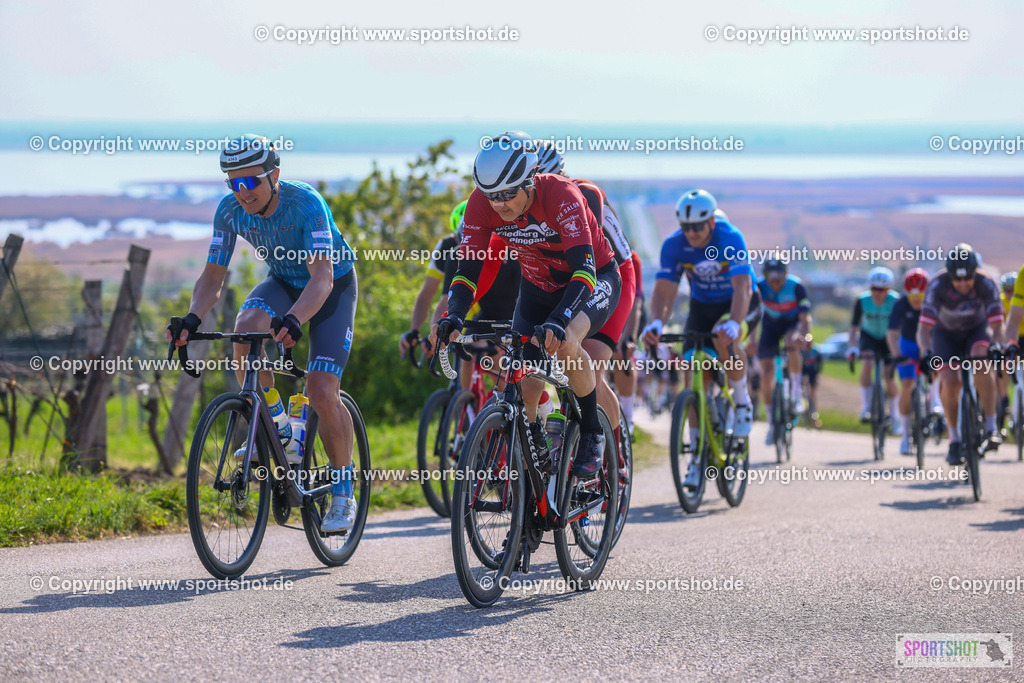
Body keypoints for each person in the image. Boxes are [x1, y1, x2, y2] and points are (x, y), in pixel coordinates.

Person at [166, 135, 359, 532]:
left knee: (322, 390)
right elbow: (213, 276)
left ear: (274, 174)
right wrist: (190, 319)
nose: (243, 192)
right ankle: (277, 426)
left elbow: (321, 278)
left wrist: (295, 319)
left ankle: (343, 493)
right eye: (234, 183)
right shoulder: (229, 212)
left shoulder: (307, 204)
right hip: (283, 282)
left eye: (251, 181)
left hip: (331, 287)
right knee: (245, 330)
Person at [433, 131, 621, 478]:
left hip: (590, 281)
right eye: (491, 195)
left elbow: (584, 269)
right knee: (524, 365)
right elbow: (467, 271)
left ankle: (593, 431)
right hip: (537, 288)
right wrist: (454, 315)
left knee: (566, 343)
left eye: (507, 194)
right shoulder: (481, 203)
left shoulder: (562, 195)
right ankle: (534, 440)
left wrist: (559, 320)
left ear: (529, 182)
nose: (498, 204)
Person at [642, 189, 762, 486]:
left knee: (725, 338)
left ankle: (743, 402)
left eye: (697, 226)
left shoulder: (729, 238)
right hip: (702, 307)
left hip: (740, 303)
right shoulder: (674, 245)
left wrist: (735, 323)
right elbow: (664, 291)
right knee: (693, 375)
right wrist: (657, 321)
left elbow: (742, 288)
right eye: (686, 227)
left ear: (711, 222)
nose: (691, 233)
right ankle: (696, 457)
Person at [917, 244, 1005, 464]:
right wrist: (926, 352)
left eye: (968, 279)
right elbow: (924, 330)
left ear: (976, 272)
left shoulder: (986, 283)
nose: (963, 284)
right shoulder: (937, 285)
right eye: (958, 279)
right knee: (950, 380)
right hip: (945, 334)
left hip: (977, 330)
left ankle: (992, 426)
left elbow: (997, 325)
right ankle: (954, 439)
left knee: (982, 359)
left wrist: (996, 344)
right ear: (949, 275)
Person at [755, 258, 811, 445]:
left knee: (792, 342)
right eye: (771, 278)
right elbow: (754, 316)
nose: (775, 282)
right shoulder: (759, 287)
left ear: (785, 275)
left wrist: (804, 336)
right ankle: (771, 423)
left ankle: (795, 394)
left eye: (779, 277)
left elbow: (805, 318)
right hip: (770, 325)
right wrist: (752, 341)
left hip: (791, 324)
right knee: (766, 373)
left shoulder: (796, 286)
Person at [846, 267, 900, 427]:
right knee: (867, 363)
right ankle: (866, 407)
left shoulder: (896, 301)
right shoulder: (862, 300)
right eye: (874, 289)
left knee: (889, 376)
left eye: (882, 289)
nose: (878, 292)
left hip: (888, 338)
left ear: (888, 289)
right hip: (869, 336)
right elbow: (854, 328)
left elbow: (902, 328)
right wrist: (852, 348)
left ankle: (895, 416)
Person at [886, 268, 929, 455]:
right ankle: (904, 436)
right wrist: (897, 355)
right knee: (907, 385)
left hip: (929, 342)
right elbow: (892, 334)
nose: (917, 299)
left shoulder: (932, 302)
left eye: (921, 294)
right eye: (912, 295)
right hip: (908, 343)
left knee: (938, 373)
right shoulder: (900, 304)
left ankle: (934, 402)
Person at [800, 334, 823, 428]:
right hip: (804, 370)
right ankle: (803, 408)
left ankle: (814, 411)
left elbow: (819, 364)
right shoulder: (802, 352)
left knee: (812, 391)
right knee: (802, 390)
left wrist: (817, 374)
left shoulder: (816, 351)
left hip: (812, 371)